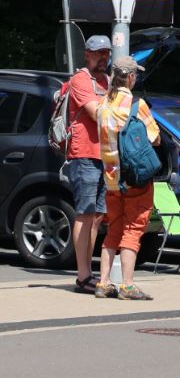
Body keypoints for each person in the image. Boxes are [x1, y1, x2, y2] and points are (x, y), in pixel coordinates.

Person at [93, 56, 160, 300]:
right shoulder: (135, 104)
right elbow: (155, 137)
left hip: (111, 177)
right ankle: (128, 286)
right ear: (130, 77)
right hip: (135, 177)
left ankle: (103, 283)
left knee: (114, 228)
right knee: (133, 229)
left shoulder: (102, 105)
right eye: (136, 75)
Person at [63, 34, 112, 293]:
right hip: (84, 154)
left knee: (96, 217)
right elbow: (99, 114)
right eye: (98, 53)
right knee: (85, 213)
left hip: (105, 156)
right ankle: (82, 275)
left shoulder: (106, 80)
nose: (103, 57)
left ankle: (88, 273)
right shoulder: (81, 79)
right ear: (87, 54)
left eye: (106, 52)